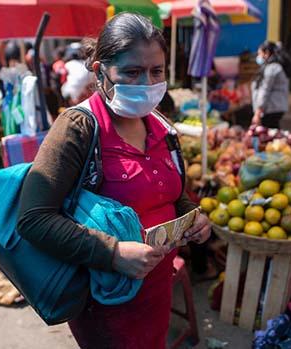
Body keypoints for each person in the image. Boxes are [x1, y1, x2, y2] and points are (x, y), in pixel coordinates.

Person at [17, 13, 211, 348]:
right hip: (105, 300)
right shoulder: (78, 127)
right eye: (132, 72)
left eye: (156, 71)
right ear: (100, 71)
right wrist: (113, 252)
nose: (147, 84)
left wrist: (194, 217)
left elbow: (171, 195)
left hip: (158, 286)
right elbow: (33, 218)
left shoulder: (161, 128)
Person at [251, 41, 291, 128]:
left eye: (259, 54)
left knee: (270, 134)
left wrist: (258, 111)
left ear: (267, 53)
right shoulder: (274, 67)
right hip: (273, 107)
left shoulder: (272, 68)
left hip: (271, 108)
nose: (258, 57)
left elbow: (265, 90)